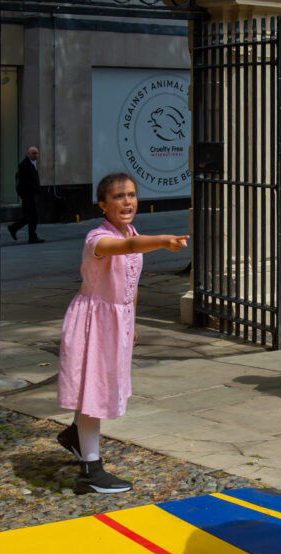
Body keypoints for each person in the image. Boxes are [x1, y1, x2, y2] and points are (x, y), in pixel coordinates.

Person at [56, 173, 188, 494]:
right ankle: (90, 470)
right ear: (103, 205)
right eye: (118, 197)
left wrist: (133, 324)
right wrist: (163, 241)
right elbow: (126, 248)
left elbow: (132, 283)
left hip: (117, 320)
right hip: (94, 321)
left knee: (96, 386)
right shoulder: (97, 239)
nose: (127, 201)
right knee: (94, 393)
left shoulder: (132, 230)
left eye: (131, 194)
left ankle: (76, 435)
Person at [8, 146, 44, 243]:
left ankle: (22, 231)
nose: (36, 155)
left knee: (31, 216)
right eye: (33, 153)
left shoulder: (32, 163)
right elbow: (26, 182)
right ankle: (16, 229)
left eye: (37, 153)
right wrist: (33, 191)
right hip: (29, 195)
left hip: (32, 194)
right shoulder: (24, 165)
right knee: (31, 216)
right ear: (28, 154)